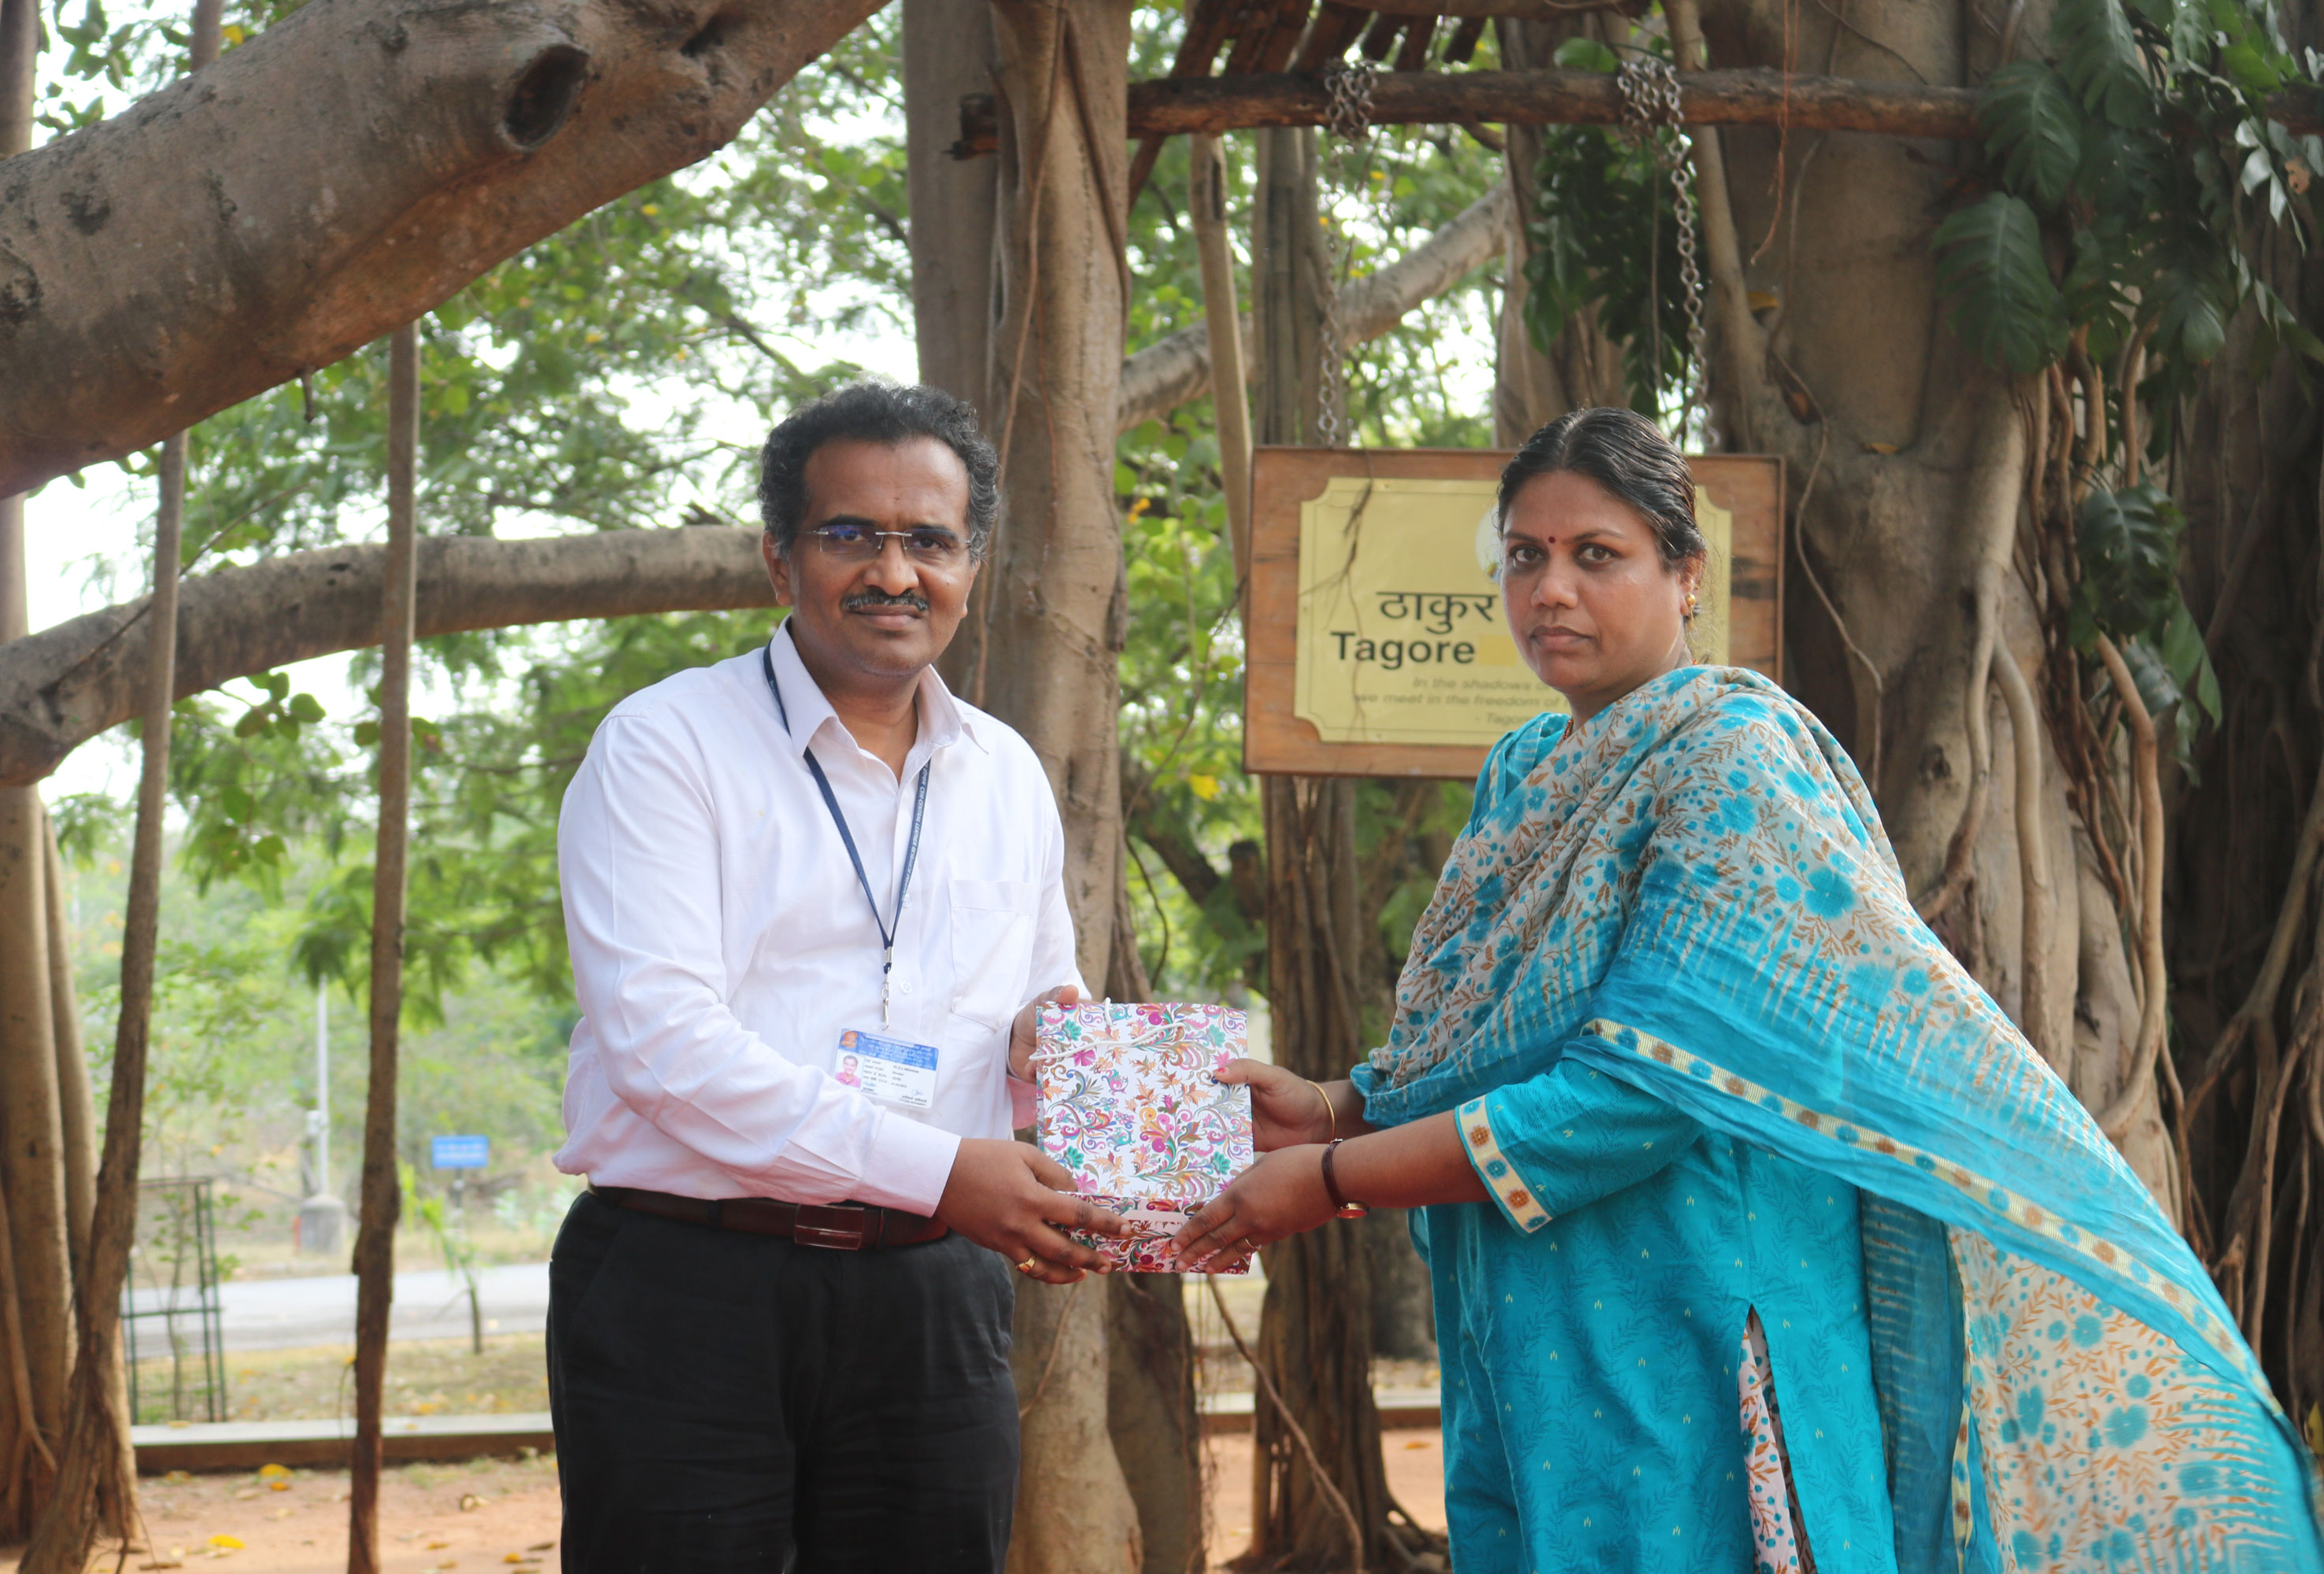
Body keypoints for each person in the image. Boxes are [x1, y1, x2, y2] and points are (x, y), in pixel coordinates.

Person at [1175, 407, 2323, 1572]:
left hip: (1693, 1323)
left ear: (1687, 575)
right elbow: (1474, 1038)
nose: (1551, 589)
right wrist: (1338, 1108)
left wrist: (1330, 1181)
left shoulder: (1734, 760)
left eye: (1596, 554)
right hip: (1524, 1327)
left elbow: (1636, 1095)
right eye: (1525, 555)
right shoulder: (1523, 768)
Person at [546, 382, 1127, 1574]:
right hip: (689, 1283)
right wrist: (943, 1171)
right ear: (780, 557)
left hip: (931, 1295)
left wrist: (1051, 1046)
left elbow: (1037, 993)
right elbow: (662, 1047)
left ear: (971, 566)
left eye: (929, 542)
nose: (893, 573)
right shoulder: (665, 745)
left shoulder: (1005, 772)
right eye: (850, 535)